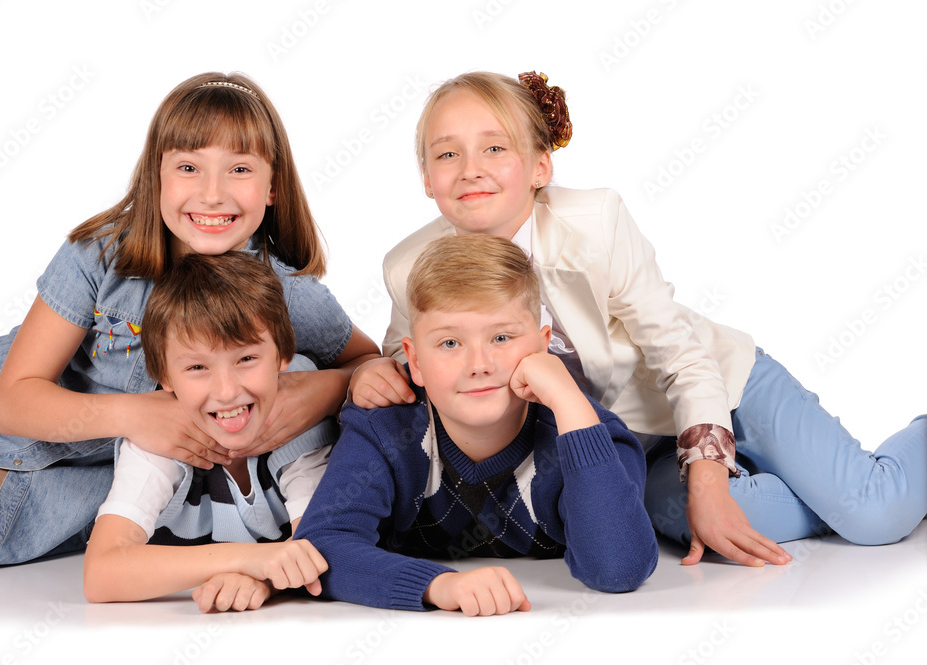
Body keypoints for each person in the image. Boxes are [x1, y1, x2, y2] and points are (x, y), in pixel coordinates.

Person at [349, 70, 927, 567]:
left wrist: (705, 473)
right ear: (427, 178)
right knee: (713, 533)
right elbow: (415, 359)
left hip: (718, 385)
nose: (470, 169)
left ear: (540, 166)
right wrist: (373, 369)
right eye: (447, 153)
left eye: (495, 148)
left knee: (874, 514)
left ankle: (829, 475)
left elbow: (679, 352)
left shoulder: (595, 223)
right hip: (634, 442)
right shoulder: (409, 265)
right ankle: (787, 485)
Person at [0, 72, 380, 574]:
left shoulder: (286, 293)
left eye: (239, 169)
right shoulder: (100, 256)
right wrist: (136, 414)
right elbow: (13, 401)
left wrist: (319, 390)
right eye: (189, 167)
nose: (212, 194)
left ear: (272, 187)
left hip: (80, 480)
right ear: (157, 178)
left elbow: (368, 362)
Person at [296, 235, 658, 615]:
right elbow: (322, 548)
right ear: (414, 361)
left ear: (542, 346)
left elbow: (620, 569)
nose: (479, 364)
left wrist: (569, 401)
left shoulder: (587, 431)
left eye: (501, 337)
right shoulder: (386, 424)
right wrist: (437, 585)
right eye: (450, 343)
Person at [84, 251, 329, 613]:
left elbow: (319, 547)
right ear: (163, 376)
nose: (227, 391)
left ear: (282, 354)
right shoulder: (161, 432)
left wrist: (262, 581)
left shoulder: (297, 409)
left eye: (246, 359)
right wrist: (249, 561)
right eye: (198, 366)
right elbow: (101, 573)